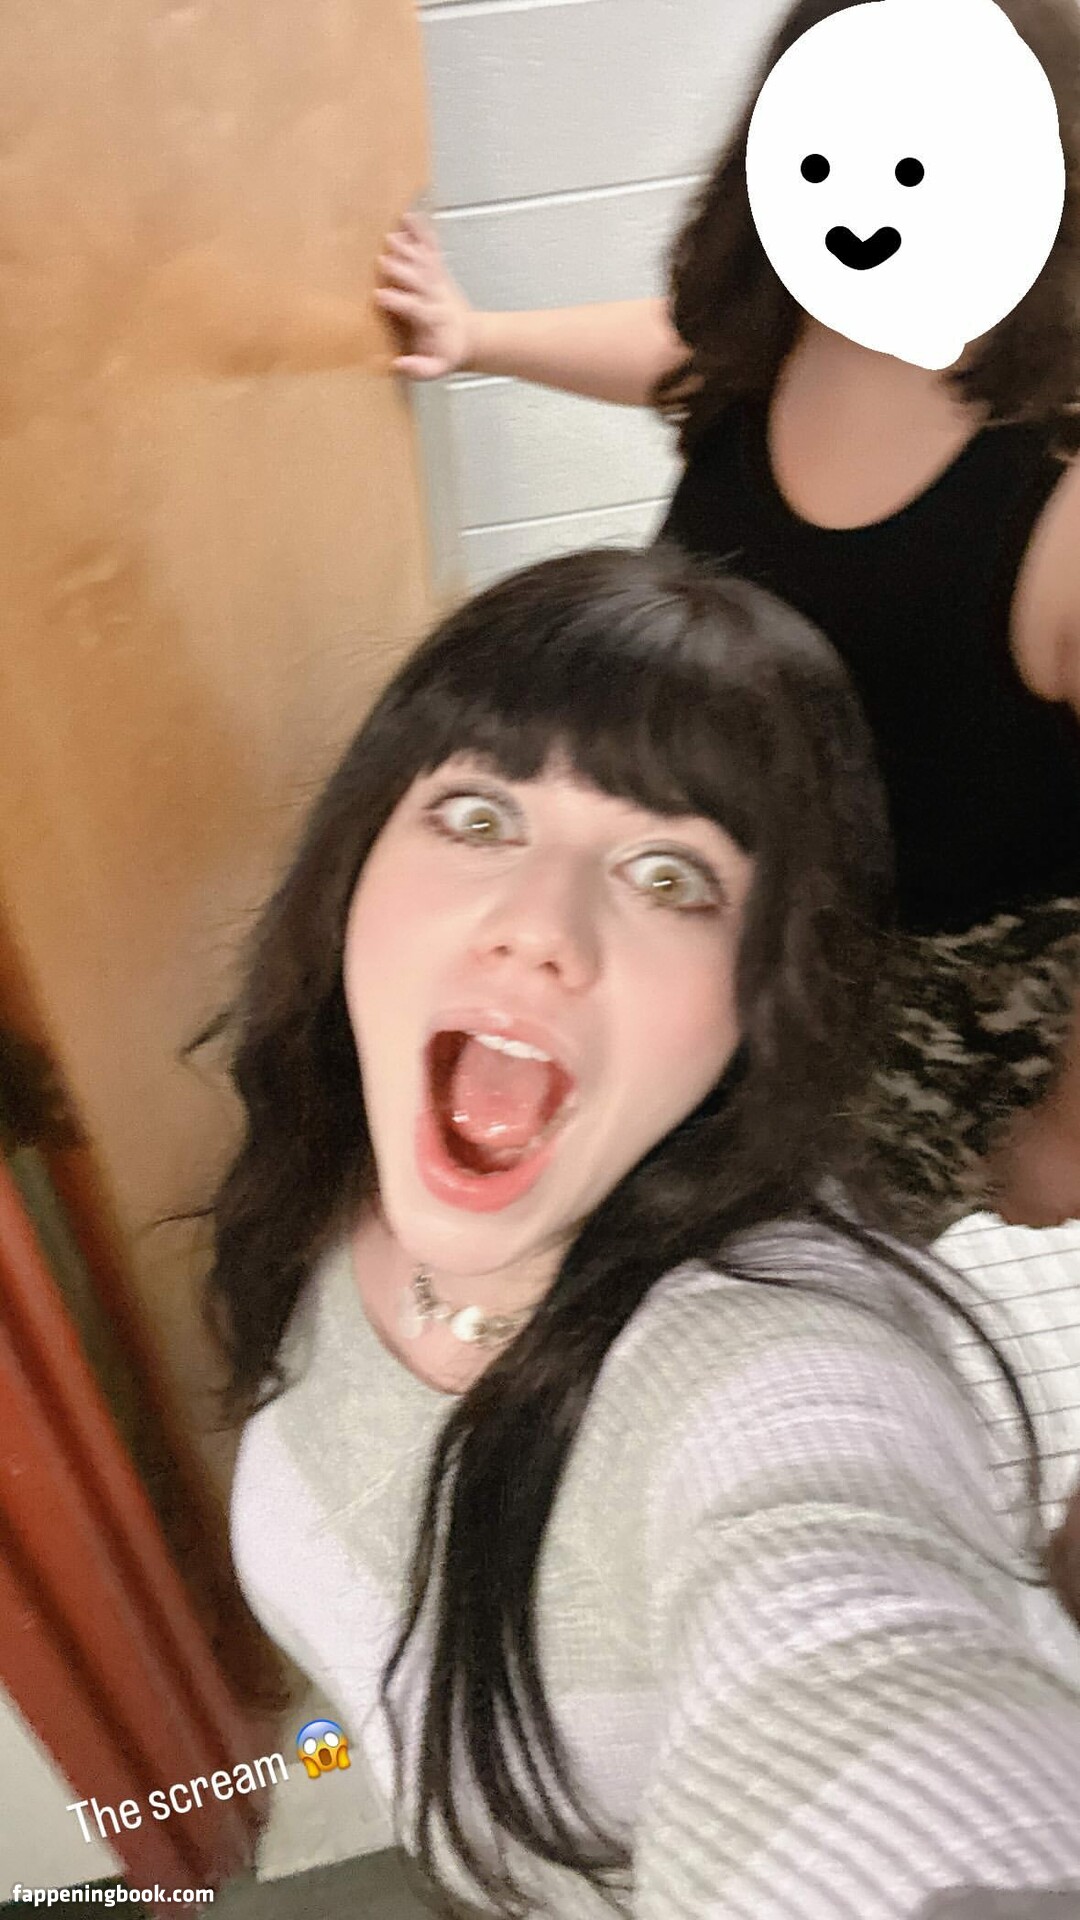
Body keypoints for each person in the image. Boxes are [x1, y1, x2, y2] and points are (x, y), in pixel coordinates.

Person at [209, 549, 1080, 1920]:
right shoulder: (330, 1161)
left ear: (764, 989)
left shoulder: (768, 1354)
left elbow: (854, 1622)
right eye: (480, 815)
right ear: (356, 864)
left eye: (671, 875)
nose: (536, 929)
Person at [374, 0, 1080, 1240]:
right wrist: (477, 334)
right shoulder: (798, 323)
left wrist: (1069, 1133)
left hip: (918, 983)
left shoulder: (1060, 502)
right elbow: (685, 354)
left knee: (775, 1243)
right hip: (721, 869)